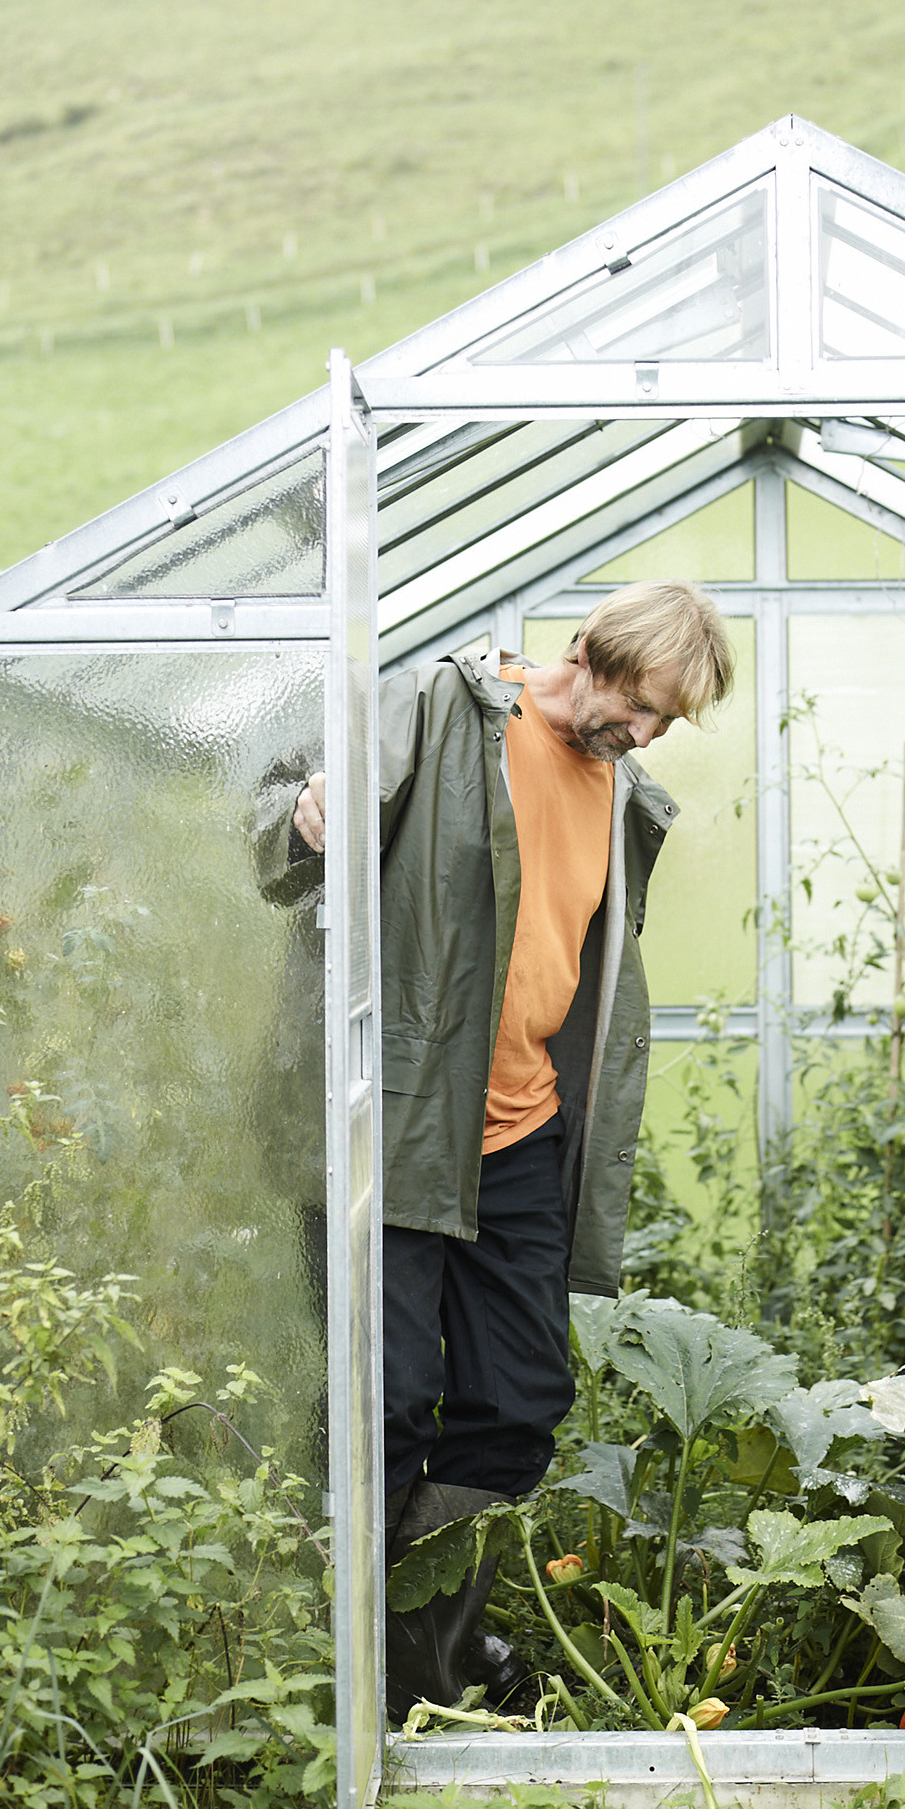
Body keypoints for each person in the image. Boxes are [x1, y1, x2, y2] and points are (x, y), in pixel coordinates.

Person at [254, 579, 733, 1714]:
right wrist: (302, 816)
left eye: (667, 722)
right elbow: (280, 818)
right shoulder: (437, 710)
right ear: (593, 652)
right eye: (646, 706)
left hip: (520, 1136)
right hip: (400, 1122)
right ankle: (363, 1671)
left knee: (519, 1396)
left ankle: (419, 1635)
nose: (650, 733)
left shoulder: (625, 797)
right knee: (384, 1394)